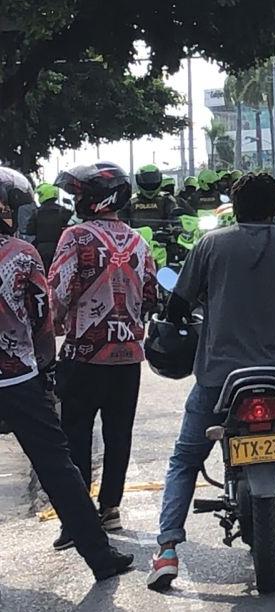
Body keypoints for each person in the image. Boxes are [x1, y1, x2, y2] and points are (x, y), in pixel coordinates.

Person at [148, 173, 275, 591]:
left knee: (185, 460)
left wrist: (189, 320)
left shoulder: (211, 245)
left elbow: (177, 305)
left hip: (218, 378)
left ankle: (167, 550)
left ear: (234, 203)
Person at [0, 169, 135, 581]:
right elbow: (42, 322)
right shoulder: (22, 255)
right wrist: (43, 369)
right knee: (58, 467)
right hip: (19, 378)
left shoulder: (65, 240)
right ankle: (100, 556)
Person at [49, 162, 157, 550]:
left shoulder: (75, 237)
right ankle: (110, 508)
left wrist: (55, 325)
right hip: (128, 356)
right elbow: (150, 297)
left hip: (84, 354)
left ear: (97, 199)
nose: (76, 200)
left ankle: (77, 520)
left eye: (80, 194)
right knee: (118, 434)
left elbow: (58, 293)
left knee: (75, 435)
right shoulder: (138, 241)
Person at [28, 182, 73, 271]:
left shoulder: (37, 213)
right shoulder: (64, 211)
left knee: (42, 272)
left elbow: (29, 230)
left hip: (41, 248)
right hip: (60, 247)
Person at [128, 164, 181, 229]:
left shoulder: (167, 199)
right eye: (146, 179)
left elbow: (176, 220)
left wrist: (177, 228)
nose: (150, 183)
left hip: (163, 238)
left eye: (153, 179)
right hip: (136, 238)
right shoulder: (130, 201)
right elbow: (120, 223)